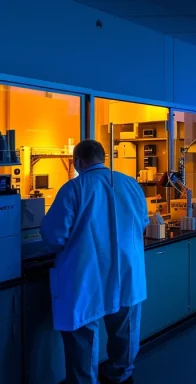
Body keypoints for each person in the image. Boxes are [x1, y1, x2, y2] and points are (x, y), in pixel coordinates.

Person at [40, 140, 149, 384]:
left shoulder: (74, 188)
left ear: (78, 161)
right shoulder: (130, 184)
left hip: (86, 273)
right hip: (127, 269)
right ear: (103, 158)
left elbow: (54, 236)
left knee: (83, 334)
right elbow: (143, 222)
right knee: (125, 329)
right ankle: (119, 375)